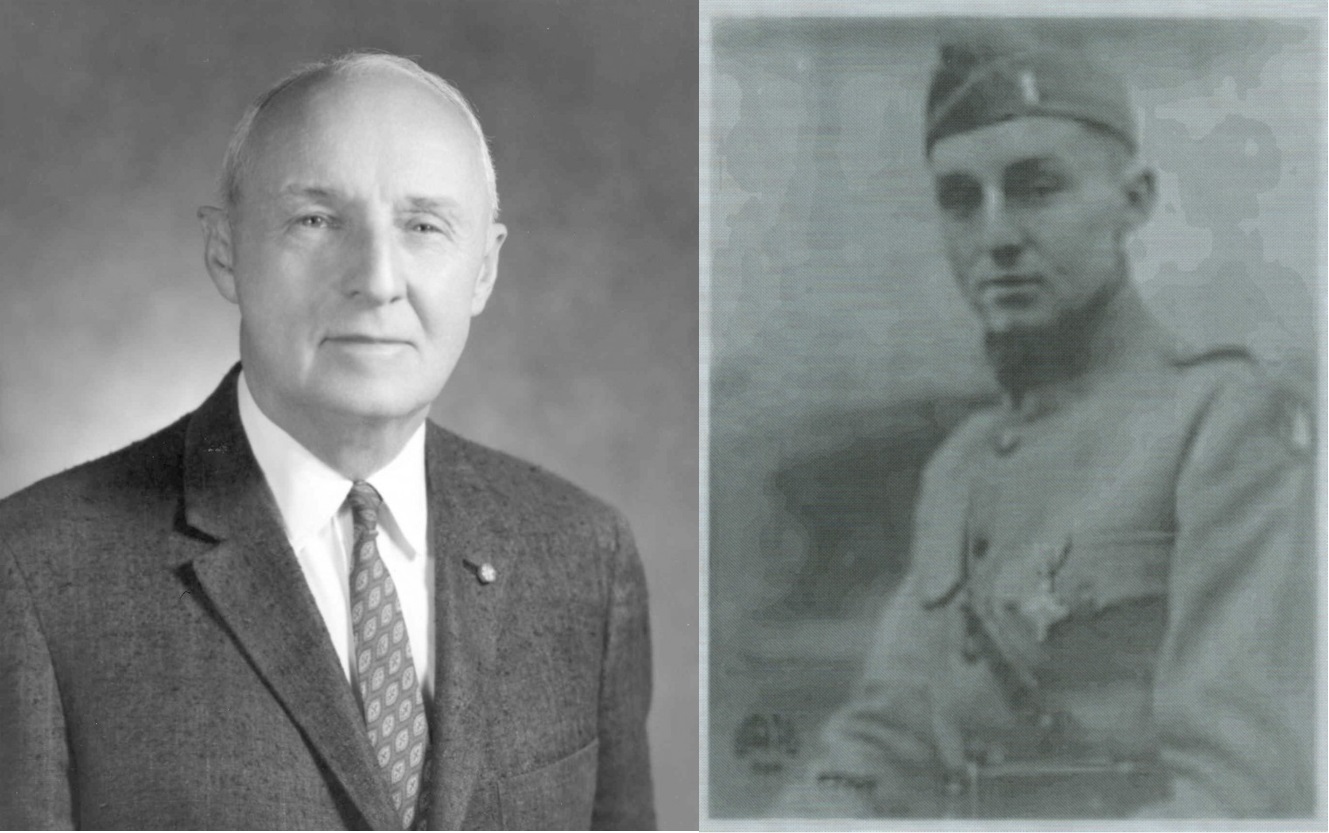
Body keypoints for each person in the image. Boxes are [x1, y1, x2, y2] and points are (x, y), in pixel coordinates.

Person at [0, 52, 655, 830]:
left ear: (483, 268)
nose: (377, 278)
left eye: (423, 226)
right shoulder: (37, 573)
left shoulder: (584, 555)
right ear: (225, 253)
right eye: (316, 220)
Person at [778, 39, 1317, 819]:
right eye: (960, 199)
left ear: (1134, 201)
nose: (993, 236)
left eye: (1035, 189)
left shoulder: (1227, 423)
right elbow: (881, 746)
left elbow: (1240, 788)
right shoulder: (958, 467)